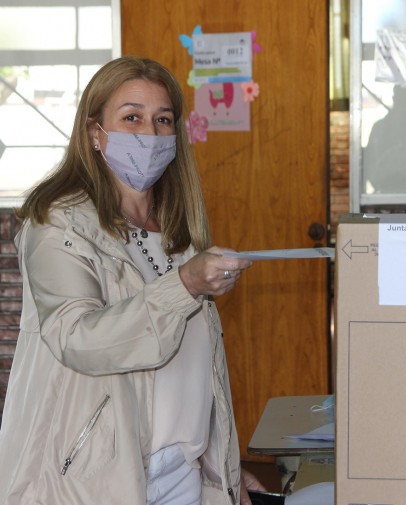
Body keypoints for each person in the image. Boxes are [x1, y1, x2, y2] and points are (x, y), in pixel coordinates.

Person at [0, 56, 265, 504]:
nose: (150, 133)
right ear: (94, 133)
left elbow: (199, 372)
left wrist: (224, 471)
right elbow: (79, 338)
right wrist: (184, 286)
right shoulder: (58, 225)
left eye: (163, 120)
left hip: (181, 474)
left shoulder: (181, 232)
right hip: (94, 479)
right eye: (131, 118)